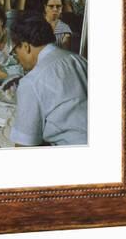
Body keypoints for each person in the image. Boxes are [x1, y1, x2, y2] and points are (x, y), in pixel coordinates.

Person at [9, 12, 87, 146]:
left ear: (26, 47)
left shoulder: (31, 82)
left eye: (15, 52)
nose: (17, 59)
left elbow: (24, 146)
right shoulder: (79, 60)